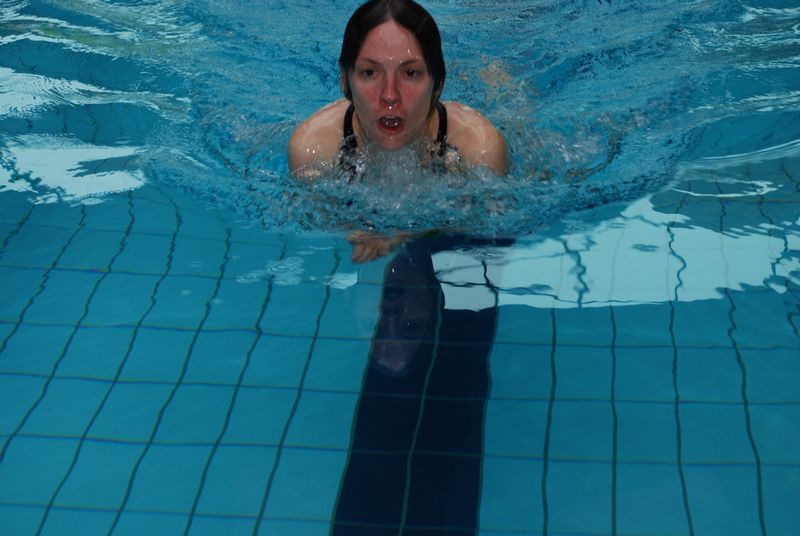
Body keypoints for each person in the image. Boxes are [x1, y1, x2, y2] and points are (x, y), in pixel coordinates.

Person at [289, 0, 508, 262]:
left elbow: (489, 233)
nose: (390, 95)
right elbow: (319, 222)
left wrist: (404, 235)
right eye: (370, 72)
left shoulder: (478, 148)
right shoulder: (313, 147)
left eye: (411, 73)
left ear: (438, 85)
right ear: (345, 81)